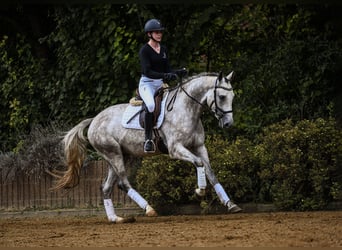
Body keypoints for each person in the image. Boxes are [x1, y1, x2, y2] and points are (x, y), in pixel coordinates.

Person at [139, 18, 186, 153]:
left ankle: (167, 137)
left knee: (174, 103)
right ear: (149, 34)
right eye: (156, 32)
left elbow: (167, 69)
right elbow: (147, 71)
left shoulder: (163, 49)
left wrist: (178, 72)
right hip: (147, 84)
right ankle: (147, 139)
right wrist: (165, 76)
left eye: (160, 32)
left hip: (160, 84)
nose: (159, 34)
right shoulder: (145, 51)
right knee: (151, 105)